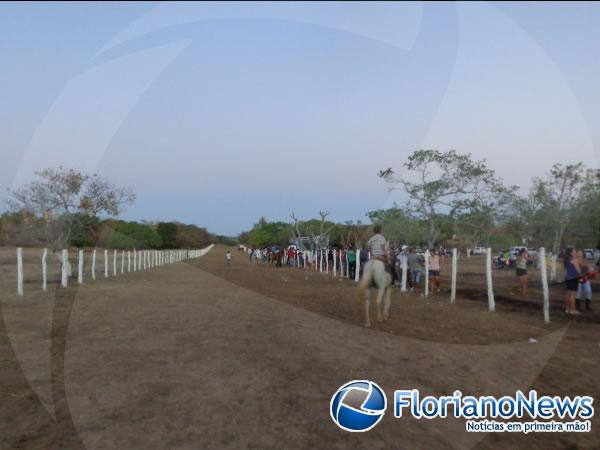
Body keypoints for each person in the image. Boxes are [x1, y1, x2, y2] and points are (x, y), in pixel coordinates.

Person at [564, 248, 582, 316]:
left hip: (568, 278)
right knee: (573, 295)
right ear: (571, 253)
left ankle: (567, 309)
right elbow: (579, 271)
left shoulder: (567, 260)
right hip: (573, 279)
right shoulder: (574, 260)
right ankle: (573, 310)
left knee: (568, 294)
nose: (575, 252)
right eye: (574, 251)